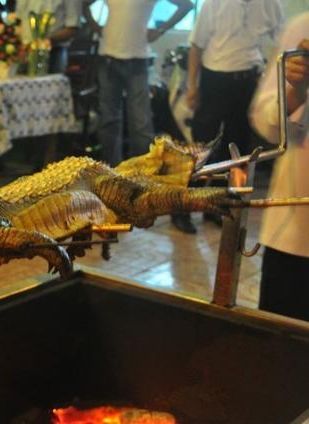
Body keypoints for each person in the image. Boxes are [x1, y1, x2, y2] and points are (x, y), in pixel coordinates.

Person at [172, 0, 284, 234]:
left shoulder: (270, 3)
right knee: (200, 148)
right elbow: (196, 46)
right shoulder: (214, 3)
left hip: (248, 82)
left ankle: (217, 206)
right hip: (215, 80)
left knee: (236, 151)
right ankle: (181, 208)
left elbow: (281, 39)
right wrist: (193, 86)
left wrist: (269, 77)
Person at [249, 13, 309, 321]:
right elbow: (264, 121)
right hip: (296, 234)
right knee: (280, 354)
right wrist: (295, 93)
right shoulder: (303, 28)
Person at [85, 0, 193, 168]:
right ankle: (110, 173)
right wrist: (95, 26)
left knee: (140, 123)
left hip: (137, 60)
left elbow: (186, 5)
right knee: (109, 120)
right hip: (107, 58)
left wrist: (161, 29)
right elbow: (84, 4)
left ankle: (141, 175)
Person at [16, 0, 83, 73]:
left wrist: (46, 42)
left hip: (53, 53)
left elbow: (73, 27)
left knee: (51, 82)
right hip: (23, 51)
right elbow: (19, 20)